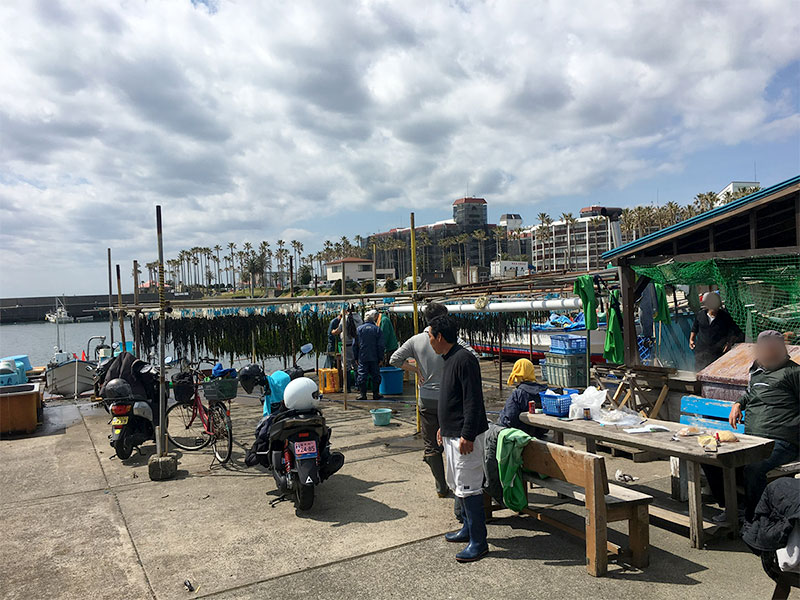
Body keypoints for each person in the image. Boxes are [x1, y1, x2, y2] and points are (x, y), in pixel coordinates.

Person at [704, 330, 800, 522]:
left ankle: (754, 520)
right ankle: (734, 506)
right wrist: (738, 403)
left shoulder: (793, 373)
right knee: (711, 459)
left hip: (781, 442)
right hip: (753, 438)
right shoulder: (757, 371)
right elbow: (751, 394)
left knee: (754, 468)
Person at [389, 302, 478, 500]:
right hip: (451, 401)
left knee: (431, 445)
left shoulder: (415, 340)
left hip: (427, 400)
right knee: (455, 443)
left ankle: (440, 486)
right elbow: (474, 357)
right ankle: (460, 484)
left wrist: (416, 369)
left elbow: (394, 359)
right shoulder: (454, 343)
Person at [428, 315, 489, 563]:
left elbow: (473, 400)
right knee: (458, 485)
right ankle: (466, 528)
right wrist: (444, 427)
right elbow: (453, 399)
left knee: (470, 487)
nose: (429, 340)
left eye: (430, 335)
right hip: (452, 434)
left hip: (466, 437)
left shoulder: (464, 359)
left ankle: (479, 541)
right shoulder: (449, 359)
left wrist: (467, 433)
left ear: (440, 337)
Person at [689, 291, 744, 371]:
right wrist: (691, 340)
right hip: (701, 350)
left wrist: (729, 343)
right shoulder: (700, 315)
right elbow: (694, 328)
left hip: (717, 352)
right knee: (700, 371)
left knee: (716, 371)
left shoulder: (725, 317)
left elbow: (735, 331)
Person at [498, 358, 547, 438]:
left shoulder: (518, 393)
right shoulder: (543, 391)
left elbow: (510, 419)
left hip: (520, 434)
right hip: (539, 432)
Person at [353, 310, 384, 401]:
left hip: (362, 356)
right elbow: (381, 345)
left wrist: (356, 357)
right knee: (376, 375)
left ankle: (363, 394)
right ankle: (375, 394)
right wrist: (381, 358)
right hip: (374, 356)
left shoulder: (359, 329)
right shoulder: (377, 329)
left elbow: (355, 345)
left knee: (362, 375)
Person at [332, 306, 362, 391]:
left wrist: (333, 331)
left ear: (346, 310)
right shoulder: (359, 318)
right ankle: (358, 386)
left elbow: (338, 331)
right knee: (356, 365)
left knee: (346, 366)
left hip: (347, 346)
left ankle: (347, 387)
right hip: (357, 345)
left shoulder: (344, 319)